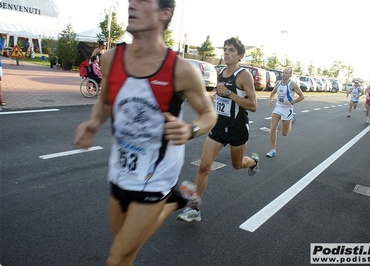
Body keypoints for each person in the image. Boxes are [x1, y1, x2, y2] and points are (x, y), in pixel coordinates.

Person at [74, 0, 217, 265]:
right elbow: (106, 101)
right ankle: (178, 199)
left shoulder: (180, 70)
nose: (132, 4)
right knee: (127, 254)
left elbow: (209, 114)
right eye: (131, 1)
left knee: (116, 258)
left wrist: (190, 129)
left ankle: (172, 197)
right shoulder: (110, 59)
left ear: (165, 13)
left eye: (142, 0)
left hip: (157, 176)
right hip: (120, 170)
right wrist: (93, 123)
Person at [176, 37, 260, 223]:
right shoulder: (220, 71)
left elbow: (253, 106)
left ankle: (253, 162)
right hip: (219, 126)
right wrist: (213, 97)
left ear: (239, 55)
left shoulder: (243, 75)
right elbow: (221, 93)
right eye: (225, 49)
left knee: (237, 165)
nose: (226, 52)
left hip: (237, 127)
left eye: (231, 50)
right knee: (204, 165)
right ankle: (194, 209)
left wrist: (229, 93)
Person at [266, 67, 304, 158]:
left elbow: (302, 96)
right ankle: (273, 150)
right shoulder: (278, 83)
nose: (283, 74)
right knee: (273, 127)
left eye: (286, 73)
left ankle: (291, 119)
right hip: (278, 107)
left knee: (284, 133)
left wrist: (291, 102)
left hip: (287, 109)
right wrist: (271, 100)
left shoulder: (292, 84)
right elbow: (272, 93)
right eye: (283, 72)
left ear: (290, 75)